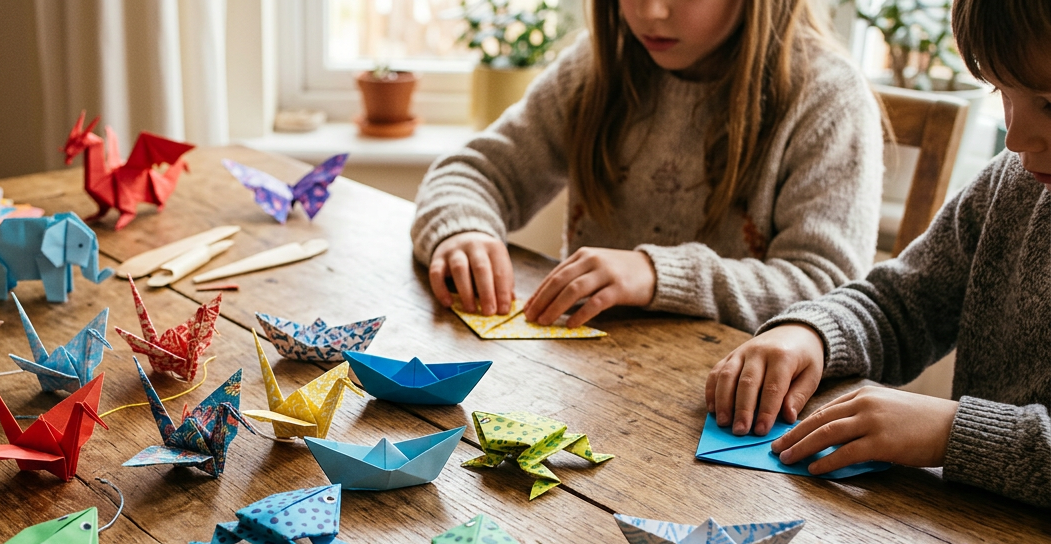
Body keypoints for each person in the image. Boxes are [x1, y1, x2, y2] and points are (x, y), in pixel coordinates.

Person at [705, 0, 1051, 506]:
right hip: (975, 539)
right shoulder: (1013, 182)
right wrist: (812, 333)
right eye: (1001, 91)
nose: (1016, 138)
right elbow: (901, 303)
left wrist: (952, 432)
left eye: (1049, 102)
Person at [412, 0, 883, 333]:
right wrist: (462, 230)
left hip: (740, 420)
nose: (651, 11)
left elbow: (828, 292)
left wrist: (657, 275)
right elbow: (475, 172)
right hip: (588, 382)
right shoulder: (596, 64)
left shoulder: (828, 97)